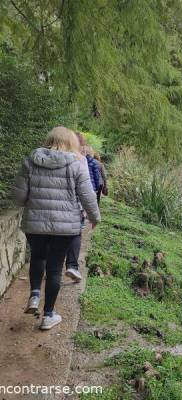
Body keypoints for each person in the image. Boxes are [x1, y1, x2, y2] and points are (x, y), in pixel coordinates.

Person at [13, 126, 100, 330]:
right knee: (54, 268)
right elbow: (87, 195)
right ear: (71, 143)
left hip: (35, 225)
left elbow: (18, 197)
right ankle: (48, 315)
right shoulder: (76, 164)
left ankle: (34, 295)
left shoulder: (29, 162)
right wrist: (95, 217)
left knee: (38, 257)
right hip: (64, 227)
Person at [64, 138, 101, 283]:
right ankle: (72, 265)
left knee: (53, 239)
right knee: (75, 233)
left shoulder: (39, 159)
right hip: (76, 204)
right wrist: (94, 216)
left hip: (49, 210)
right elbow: (87, 189)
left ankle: (51, 269)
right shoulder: (81, 160)